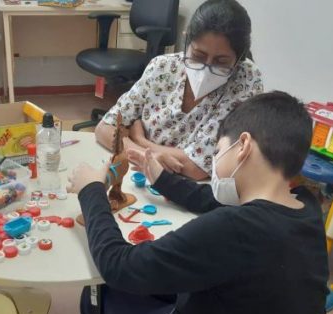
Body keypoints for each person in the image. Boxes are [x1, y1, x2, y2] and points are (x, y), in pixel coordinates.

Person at [67, 91, 329, 314]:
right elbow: (214, 202)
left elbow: (118, 266)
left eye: (217, 151)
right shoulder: (305, 207)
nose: (215, 164)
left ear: (243, 146)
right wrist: (162, 179)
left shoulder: (235, 228)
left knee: (99, 292)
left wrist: (91, 190)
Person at [95, 0, 264, 181]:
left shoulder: (246, 80)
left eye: (221, 61)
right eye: (198, 56)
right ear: (186, 40)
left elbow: (197, 168)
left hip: (190, 191)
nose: (206, 69)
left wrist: (139, 140)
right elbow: (104, 128)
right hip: (138, 176)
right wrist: (148, 157)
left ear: (239, 58)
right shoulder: (163, 67)